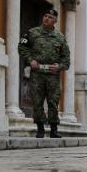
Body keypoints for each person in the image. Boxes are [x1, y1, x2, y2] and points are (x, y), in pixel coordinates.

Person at [18, 8, 70, 139]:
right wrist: (30, 60)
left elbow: (66, 59)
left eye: (50, 17)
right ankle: (40, 129)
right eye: (45, 16)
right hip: (37, 74)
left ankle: (54, 130)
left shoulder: (60, 38)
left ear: (55, 21)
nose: (47, 18)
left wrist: (59, 66)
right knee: (37, 101)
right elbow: (21, 47)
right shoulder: (32, 33)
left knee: (53, 102)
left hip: (53, 76)